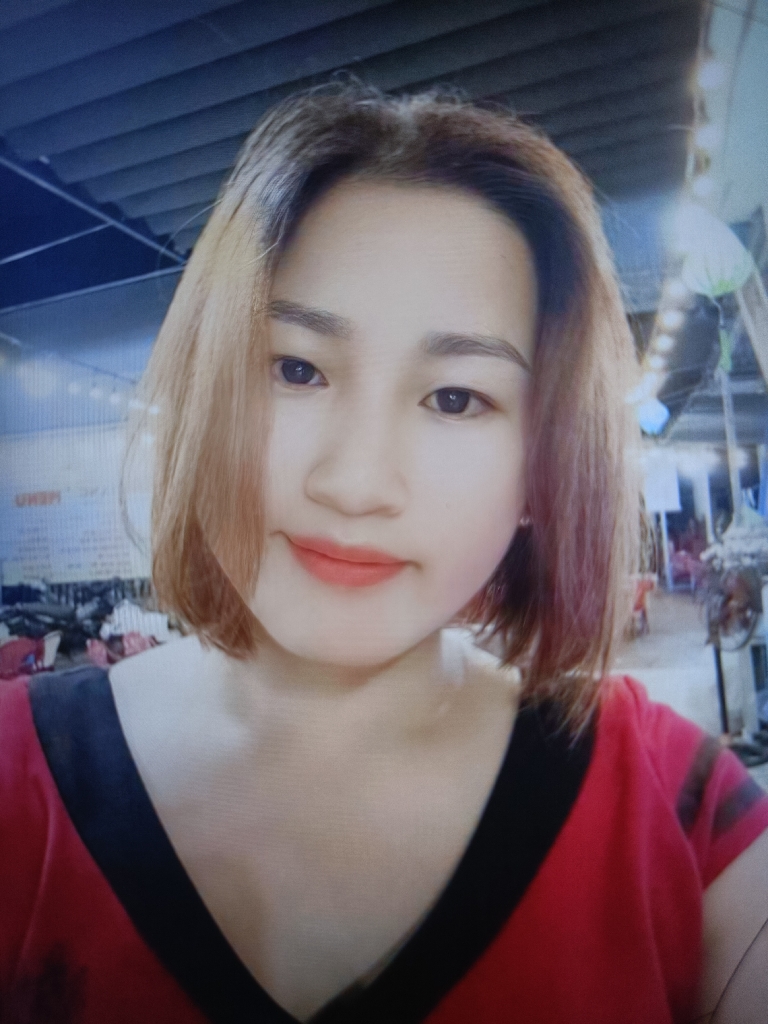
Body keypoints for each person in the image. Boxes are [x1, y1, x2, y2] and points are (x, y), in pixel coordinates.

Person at [1, 83, 767, 1024]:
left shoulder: (676, 812)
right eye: (296, 369)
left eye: (455, 397)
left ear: (544, 464)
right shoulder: (15, 780)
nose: (356, 484)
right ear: (205, 389)